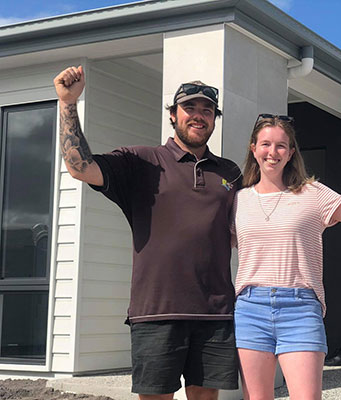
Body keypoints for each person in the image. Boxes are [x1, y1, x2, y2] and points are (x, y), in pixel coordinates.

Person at [54, 66, 241, 400]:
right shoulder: (141, 161)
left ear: (214, 119)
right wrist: (68, 103)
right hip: (156, 310)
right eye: (190, 108)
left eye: (207, 111)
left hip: (214, 311)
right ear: (173, 115)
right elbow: (79, 167)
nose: (199, 116)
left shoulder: (229, 172)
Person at [232, 113, 341, 399]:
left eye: (280, 146)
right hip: (250, 309)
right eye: (265, 144)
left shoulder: (311, 194)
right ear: (253, 148)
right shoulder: (238, 201)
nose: (272, 153)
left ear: (290, 153)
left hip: (299, 308)